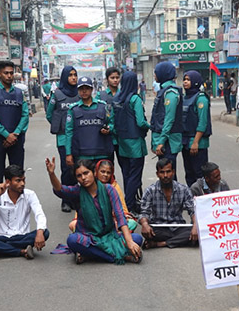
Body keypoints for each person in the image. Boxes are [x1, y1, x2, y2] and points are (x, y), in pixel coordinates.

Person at [47, 158, 143, 264]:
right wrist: (51, 173)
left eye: (86, 173)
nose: (83, 178)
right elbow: (60, 190)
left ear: (94, 172)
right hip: (89, 238)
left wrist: (129, 242)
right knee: (72, 240)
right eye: (79, 176)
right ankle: (115, 257)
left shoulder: (109, 189)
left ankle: (90, 255)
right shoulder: (77, 192)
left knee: (137, 239)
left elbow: (120, 216)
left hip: (110, 236)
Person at [0, 165, 48, 259]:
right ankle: (21, 251)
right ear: (8, 182)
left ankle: (1, 248)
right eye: (18, 180)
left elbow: (39, 214)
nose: (22, 184)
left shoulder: (30, 194)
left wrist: (40, 232)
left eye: (23, 180)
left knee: (45, 232)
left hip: (22, 237)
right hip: (3, 236)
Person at [0, 61, 30, 190]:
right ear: (0, 74)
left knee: (18, 175)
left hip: (16, 138)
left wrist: (15, 134)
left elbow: (25, 115)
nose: (9, 76)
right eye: (6, 73)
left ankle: (18, 204)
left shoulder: (20, 93)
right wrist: (6, 134)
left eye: (11, 73)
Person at [139, 158, 198, 249]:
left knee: (198, 230)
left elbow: (192, 210)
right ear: (157, 174)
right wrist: (144, 224)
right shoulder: (150, 190)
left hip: (178, 227)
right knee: (148, 232)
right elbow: (144, 212)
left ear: (173, 172)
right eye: (162, 172)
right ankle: (180, 241)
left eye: (168, 172)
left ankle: (161, 244)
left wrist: (195, 225)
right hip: (158, 228)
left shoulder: (183, 189)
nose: (165, 175)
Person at [113, 71, 150, 214]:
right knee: (135, 176)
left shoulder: (117, 98)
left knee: (127, 175)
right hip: (135, 143)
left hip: (122, 142)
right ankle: (128, 206)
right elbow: (141, 122)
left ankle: (128, 204)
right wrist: (151, 126)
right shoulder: (135, 99)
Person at [69, 159, 138, 232]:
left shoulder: (114, 187)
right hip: (91, 222)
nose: (105, 175)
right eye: (102, 172)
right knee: (73, 224)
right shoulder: (87, 186)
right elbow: (80, 212)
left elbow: (122, 210)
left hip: (112, 221)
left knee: (132, 223)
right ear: (96, 172)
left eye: (108, 173)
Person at [46, 66, 80, 212]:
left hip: (79, 139)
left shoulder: (81, 93)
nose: (73, 78)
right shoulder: (57, 94)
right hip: (63, 139)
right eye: (70, 75)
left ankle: (77, 198)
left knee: (79, 168)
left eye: (75, 75)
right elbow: (50, 114)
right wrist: (59, 126)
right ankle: (65, 200)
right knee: (66, 169)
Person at [65, 76, 114, 168]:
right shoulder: (73, 109)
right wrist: (68, 153)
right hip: (82, 155)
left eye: (87, 88)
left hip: (102, 154)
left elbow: (112, 123)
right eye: (81, 89)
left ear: (92, 89)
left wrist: (109, 129)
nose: (84, 91)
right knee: (85, 181)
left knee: (103, 181)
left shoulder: (103, 106)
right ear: (78, 91)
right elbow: (69, 132)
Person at [181, 70, 212, 186]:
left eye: (188, 80)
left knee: (200, 174)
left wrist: (195, 142)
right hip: (185, 142)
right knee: (189, 173)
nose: (185, 82)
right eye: (184, 79)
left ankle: (202, 199)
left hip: (198, 143)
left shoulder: (201, 99)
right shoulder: (185, 97)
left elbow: (202, 123)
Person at [151, 61, 183, 170]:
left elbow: (169, 119)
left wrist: (161, 142)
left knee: (168, 175)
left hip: (169, 141)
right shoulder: (163, 90)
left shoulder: (171, 93)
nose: (154, 75)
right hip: (164, 140)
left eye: (156, 72)